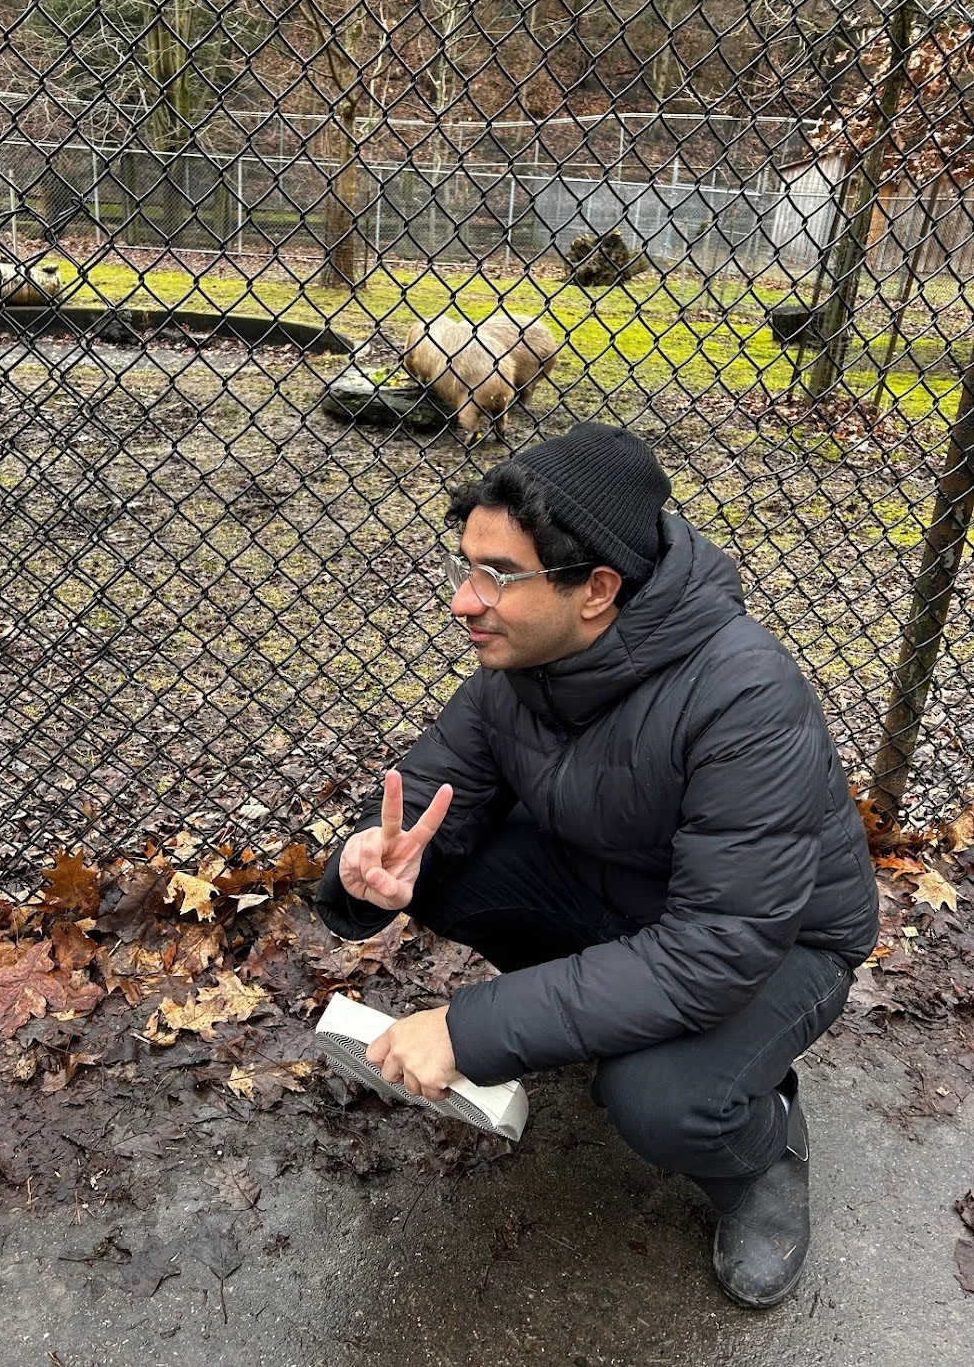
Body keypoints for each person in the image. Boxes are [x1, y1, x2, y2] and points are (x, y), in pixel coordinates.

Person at [316, 421, 879, 1309]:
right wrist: (365, 870)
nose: (465, 601)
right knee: (445, 862)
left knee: (657, 1098)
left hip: (781, 945)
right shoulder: (516, 668)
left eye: (497, 577)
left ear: (597, 590)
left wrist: (470, 1030)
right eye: (466, 566)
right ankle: (614, 1022)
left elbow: (716, 949)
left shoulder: (744, 697)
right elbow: (430, 796)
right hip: (632, 904)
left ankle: (762, 1147)